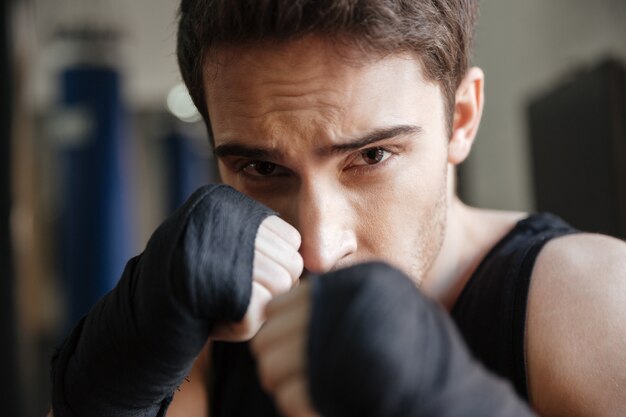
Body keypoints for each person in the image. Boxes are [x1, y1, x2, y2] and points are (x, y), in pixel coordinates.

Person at [49, 1, 626, 416]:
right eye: (262, 168)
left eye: (372, 155)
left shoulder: (588, 301)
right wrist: (115, 379)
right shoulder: (216, 331)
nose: (320, 250)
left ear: (463, 117)